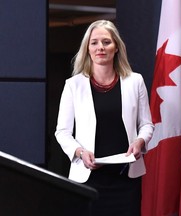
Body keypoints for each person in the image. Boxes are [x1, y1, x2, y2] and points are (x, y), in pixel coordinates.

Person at [55, 20, 154, 216]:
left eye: (106, 42)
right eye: (94, 43)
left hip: (126, 178)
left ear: (116, 47)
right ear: (88, 48)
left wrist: (140, 141)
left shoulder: (135, 81)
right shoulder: (73, 85)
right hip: (88, 178)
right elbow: (62, 132)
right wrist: (80, 152)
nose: (100, 47)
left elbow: (146, 124)